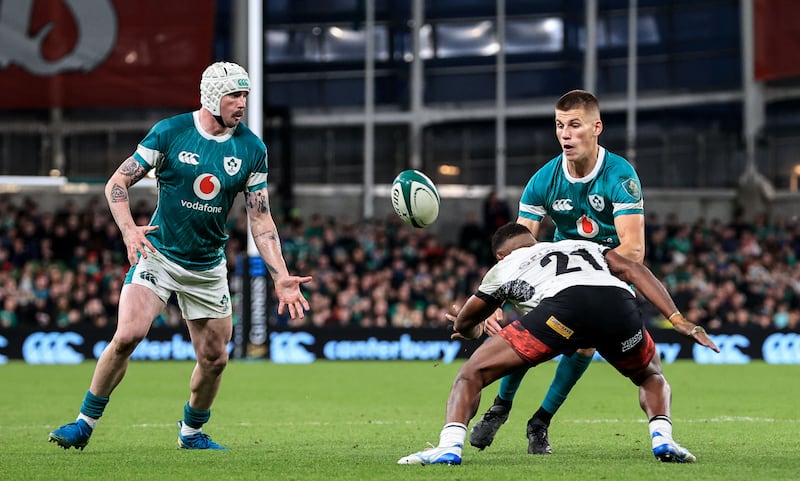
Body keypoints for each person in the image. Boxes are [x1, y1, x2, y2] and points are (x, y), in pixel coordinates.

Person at [48, 61, 312, 451]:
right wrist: (129, 230)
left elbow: (261, 219)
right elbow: (118, 182)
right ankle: (83, 424)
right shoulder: (171, 132)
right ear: (211, 96)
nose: (242, 104)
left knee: (215, 359)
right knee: (128, 336)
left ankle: (191, 433)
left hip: (207, 267)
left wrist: (281, 277)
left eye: (244, 95)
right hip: (158, 254)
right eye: (234, 96)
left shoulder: (252, 149)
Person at [397, 223, 719, 465]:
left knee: (471, 374)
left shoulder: (505, 265)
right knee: (651, 375)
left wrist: (470, 330)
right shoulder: (581, 246)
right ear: (535, 243)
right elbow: (633, 269)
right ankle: (663, 440)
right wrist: (677, 318)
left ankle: (450, 447)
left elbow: (466, 320)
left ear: (501, 255)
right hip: (619, 305)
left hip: (562, 312)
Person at [470, 89, 646, 454]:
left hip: (605, 270)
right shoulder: (543, 181)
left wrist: (595, 264)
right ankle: (501, 406)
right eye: (559, 125)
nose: (565, 134)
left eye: (574, 125)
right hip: (559, 271)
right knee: (524, 328)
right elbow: (517, 251)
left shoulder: (620, 175)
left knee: (584, 343)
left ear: (596, 128)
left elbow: (635, 249)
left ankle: (540, 422)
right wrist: (493, 302)